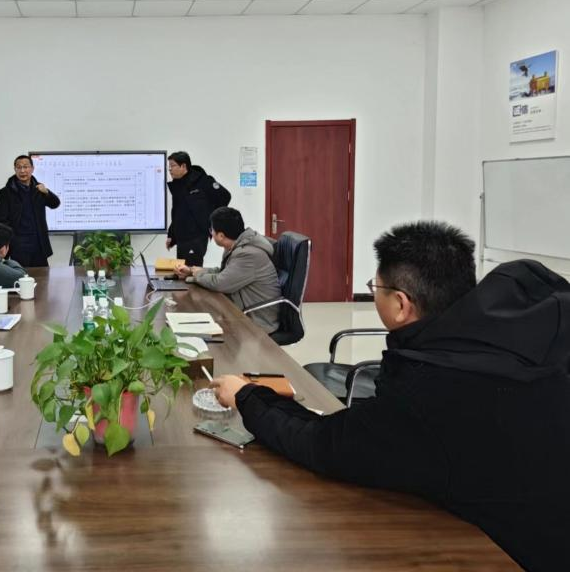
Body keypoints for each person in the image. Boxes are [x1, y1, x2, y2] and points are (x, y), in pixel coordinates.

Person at [211, 221, 570, 572]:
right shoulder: (517, 338)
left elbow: (322, 445)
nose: (374, 293)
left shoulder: (425, 392)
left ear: (400, 304)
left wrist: (247, 395)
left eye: (376, 287)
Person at [175, 207, 281, 332]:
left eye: (211, 230)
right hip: (241, 309)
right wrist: (191, 270)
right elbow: (224, 272)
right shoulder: (237, 246)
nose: (211, 233)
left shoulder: (248, 254)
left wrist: (196, 275)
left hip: (257, 321)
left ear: (221, 236)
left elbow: (220, 283)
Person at [165, 151, 231, 266]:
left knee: (191, 270)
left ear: (183, 166)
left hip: (196, 237)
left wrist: (211, 220)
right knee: (181, 270)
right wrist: (171, 235)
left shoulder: (203, 181)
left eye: (173, 166)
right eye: (169, 166)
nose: (170, 169)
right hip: (181, 237)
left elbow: (225, 196)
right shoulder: (178, 185)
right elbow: (177, 213)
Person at [0, 154, 60, 267]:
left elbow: (55, 204)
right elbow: (1, 220)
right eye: (19, 167)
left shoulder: (39, 189)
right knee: (21, 275)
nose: (22, 171)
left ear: (32, 169)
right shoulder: (6, 192)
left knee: (43, 275)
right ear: (15, 169)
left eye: (25, 167)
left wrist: (47, 192)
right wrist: (9, 241)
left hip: (39, 242)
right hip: (18, 245)